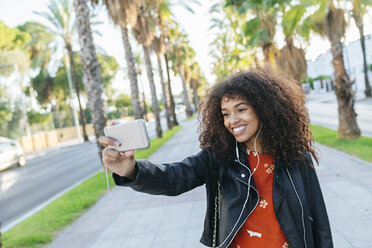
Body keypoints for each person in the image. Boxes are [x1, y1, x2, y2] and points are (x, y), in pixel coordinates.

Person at [99, 68, 333, 248]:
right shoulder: (218, 159)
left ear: (264, 109)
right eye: (225, 114)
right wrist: (131, 170)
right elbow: (173, 178)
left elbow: (319, 218)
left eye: (241, 109)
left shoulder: (296, 157)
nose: (232, 120)